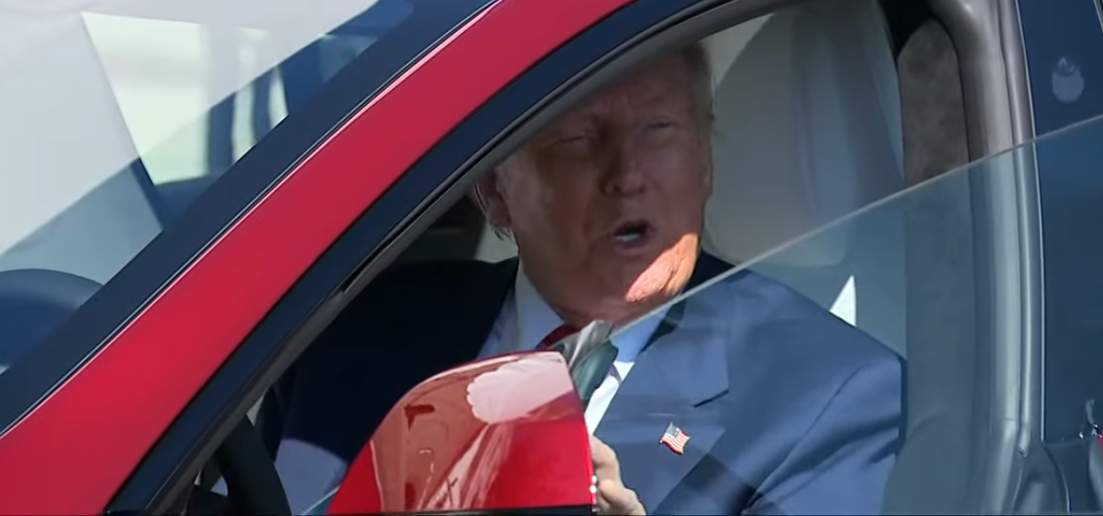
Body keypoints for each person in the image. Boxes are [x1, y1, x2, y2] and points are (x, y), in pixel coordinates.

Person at [261, 43, 903, 515]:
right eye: (577, 139)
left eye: (659, 130)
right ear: (494, 192)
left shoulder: (828, 395)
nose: (627, 174)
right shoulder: (355, 334)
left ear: (705, 160)